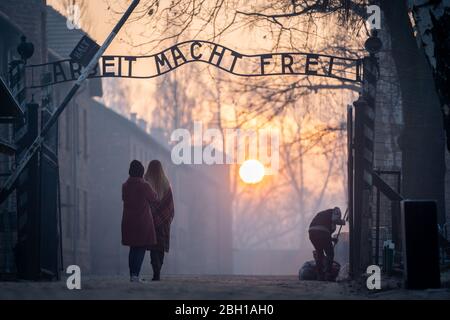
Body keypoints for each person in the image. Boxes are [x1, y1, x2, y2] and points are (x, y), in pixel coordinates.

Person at [122, 160, 159, 282]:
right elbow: (154, 198)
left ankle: (133, 274)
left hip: (128, 221)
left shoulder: (125, 186)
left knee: (133, 248)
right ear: (141, 172)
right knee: (141, 247)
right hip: (142, 221)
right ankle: (135, 275)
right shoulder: (144, 185)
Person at [144, 160, 175, 281]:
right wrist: (166, 216)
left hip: (150, 219)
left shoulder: (146, 181)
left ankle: (155, 270)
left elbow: (144, 200)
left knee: (153, 248)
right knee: (160, 248)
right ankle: (158, 270)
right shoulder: (166, 183)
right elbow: (170, 204)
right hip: (163, 221)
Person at [308, 207, 345, 281]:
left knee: (320, 253)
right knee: (330, 254)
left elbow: (321, 230)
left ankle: (320, 275)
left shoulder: (323, 215)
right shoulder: (336, 210)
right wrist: (342, 222)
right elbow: (334, 220)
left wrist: (331, 239)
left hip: (312, 233)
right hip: (322, 233)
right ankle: (328, 274)